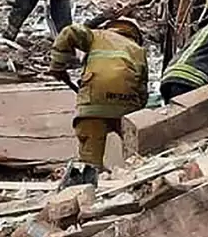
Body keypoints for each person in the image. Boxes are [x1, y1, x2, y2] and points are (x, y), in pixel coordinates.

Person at [47, 17, 148, 188]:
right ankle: (135, 186)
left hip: (94, 103)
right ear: (135, 35)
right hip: (127, 105)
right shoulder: (138, 50)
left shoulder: (97, 36)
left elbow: (69, 32)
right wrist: (138, 114)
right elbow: (142, 88)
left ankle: (88, 190)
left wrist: (58, 65)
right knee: (134, 157)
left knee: (90, 161)